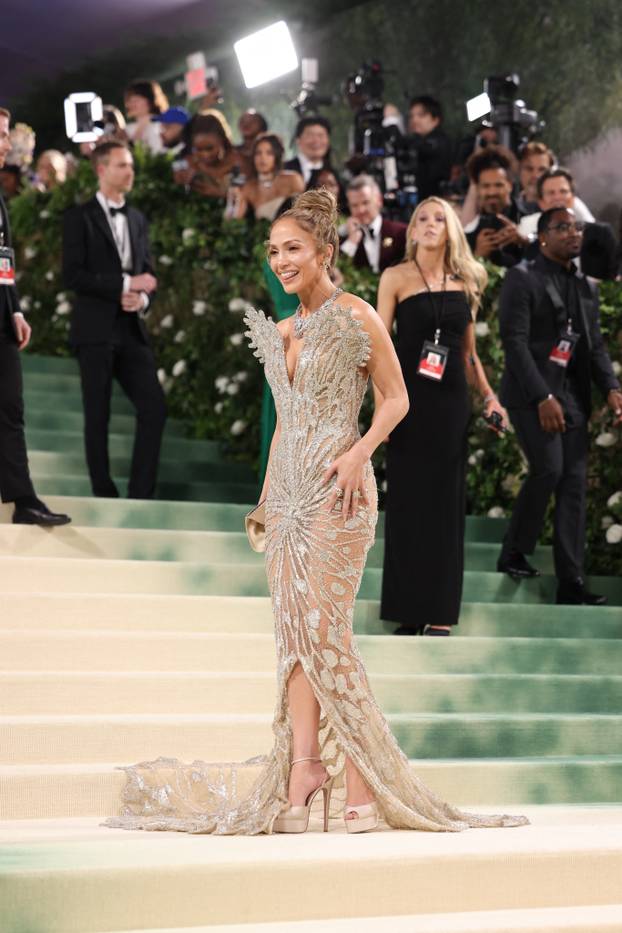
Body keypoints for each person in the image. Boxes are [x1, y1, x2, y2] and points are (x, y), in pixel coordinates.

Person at [104, 188, 527, 836]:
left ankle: (359, 774)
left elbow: (397, 399)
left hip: (341, 492)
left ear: (325, 251)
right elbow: (284, 424)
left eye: (293, 248)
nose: (281, 260)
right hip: (289, 499)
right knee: (294, 638)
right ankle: (305, 767)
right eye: (273, 250)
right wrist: (268, 497)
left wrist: (359, 453)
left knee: (327, 633)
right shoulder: (283, 332)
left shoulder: (358, 314)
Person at [377, 197, 507, 636]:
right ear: (412, 230)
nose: (430, 224)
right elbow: (380, 350)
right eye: (422, 218)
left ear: (451, 229)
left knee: (445, 508)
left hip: (451, 406)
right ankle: (408, 610)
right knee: (407, 504)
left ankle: (439, 613)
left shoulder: (468, 279)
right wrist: (382, 412)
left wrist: (489, 397)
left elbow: (469, 355)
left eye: (439, 218)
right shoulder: (394, 277)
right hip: (406, 402)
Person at [496, 207, 622, 604]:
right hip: (530, 394)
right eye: (563, 227)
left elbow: (595, 346)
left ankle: (572, 583)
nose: (574, 233)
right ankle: (514, 551)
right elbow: (514, 344)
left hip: (572, 396)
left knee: (574, 486)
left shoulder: (584, 286)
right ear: (543, 236)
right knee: (549, 468)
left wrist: (612, 388)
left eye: (577, 227)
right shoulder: (521, 278)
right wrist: (542, 397)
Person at [62, 140, 166, 499]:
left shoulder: (137, 219)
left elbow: (148, 275)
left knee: (154, 406)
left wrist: (142, 298)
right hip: (94, 329)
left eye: (131, 165)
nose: (130, 171)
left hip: (131, 329)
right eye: (122, 165)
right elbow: (73, 276)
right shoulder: (78, 217)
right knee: (98, 413)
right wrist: (123, 284)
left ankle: (141, 495)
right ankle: (103, 493)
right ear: (101, 169)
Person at [0, 107, 70, 526]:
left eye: (7, 134)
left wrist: (15, 309)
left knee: (11, 408)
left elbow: (3, 262)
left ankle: (24, 500)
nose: (6, 143)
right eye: (1, 135)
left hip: (1, 318)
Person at [518, 168, 617, 280]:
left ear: (573, 197)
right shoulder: (532, 237)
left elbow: (615, 281)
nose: (557, 197)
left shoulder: (600, 234)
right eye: (551, 193)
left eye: (563, 191)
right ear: (541, 202)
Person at [463, 145, 528, 267]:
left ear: (510, 185)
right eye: (486, 186)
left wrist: (524, 243)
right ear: (478, 189)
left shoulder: (530, 219)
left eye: (498, 185)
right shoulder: (467, 233)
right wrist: (478, 255)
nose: (492, 192)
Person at [339, 175, 407, 273]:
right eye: (354, 205)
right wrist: (352, 241)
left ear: (379, 200)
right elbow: (337, 270)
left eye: (365, 203)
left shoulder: (401, 232)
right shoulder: (342, 238)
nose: (361, 210)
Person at [174, 111, 244, 199]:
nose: (205, 155)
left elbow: (246, 197)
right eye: (199, 149)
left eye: (210, 148)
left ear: (222, 141)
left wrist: (220, 194)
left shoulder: (238, 162)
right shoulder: (187, 163)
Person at [233, 133, 303, 221]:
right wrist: (233, 199)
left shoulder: (293, 179)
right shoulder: (249, 187)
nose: (263, 158)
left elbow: (304, 214)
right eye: (258, 153)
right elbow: (235, 221)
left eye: (269, 153)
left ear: (277, 156)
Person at [407, 96, 453, 200]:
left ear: (435, 120)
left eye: (421, 115)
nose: (415, 120)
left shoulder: (440, 141)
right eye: (412, 116)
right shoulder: (417, 143)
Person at [284, 116, 332, 190]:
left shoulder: (333, 174)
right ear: (298, 140)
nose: (316, 141)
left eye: (321, 135)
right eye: (310, 135)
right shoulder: (284, 170)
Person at [124, 79, 168, 154]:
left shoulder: (164, 125)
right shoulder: (126, 130)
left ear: (151, 100)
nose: (131, 104)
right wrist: (141, 127)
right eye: (129, 100)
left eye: (136, 100)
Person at [516, 141, 555, 215]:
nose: (535, 175)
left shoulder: (568, 209)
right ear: (519, 170)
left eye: (542, 169)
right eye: (529, 169)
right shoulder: (509, 209)